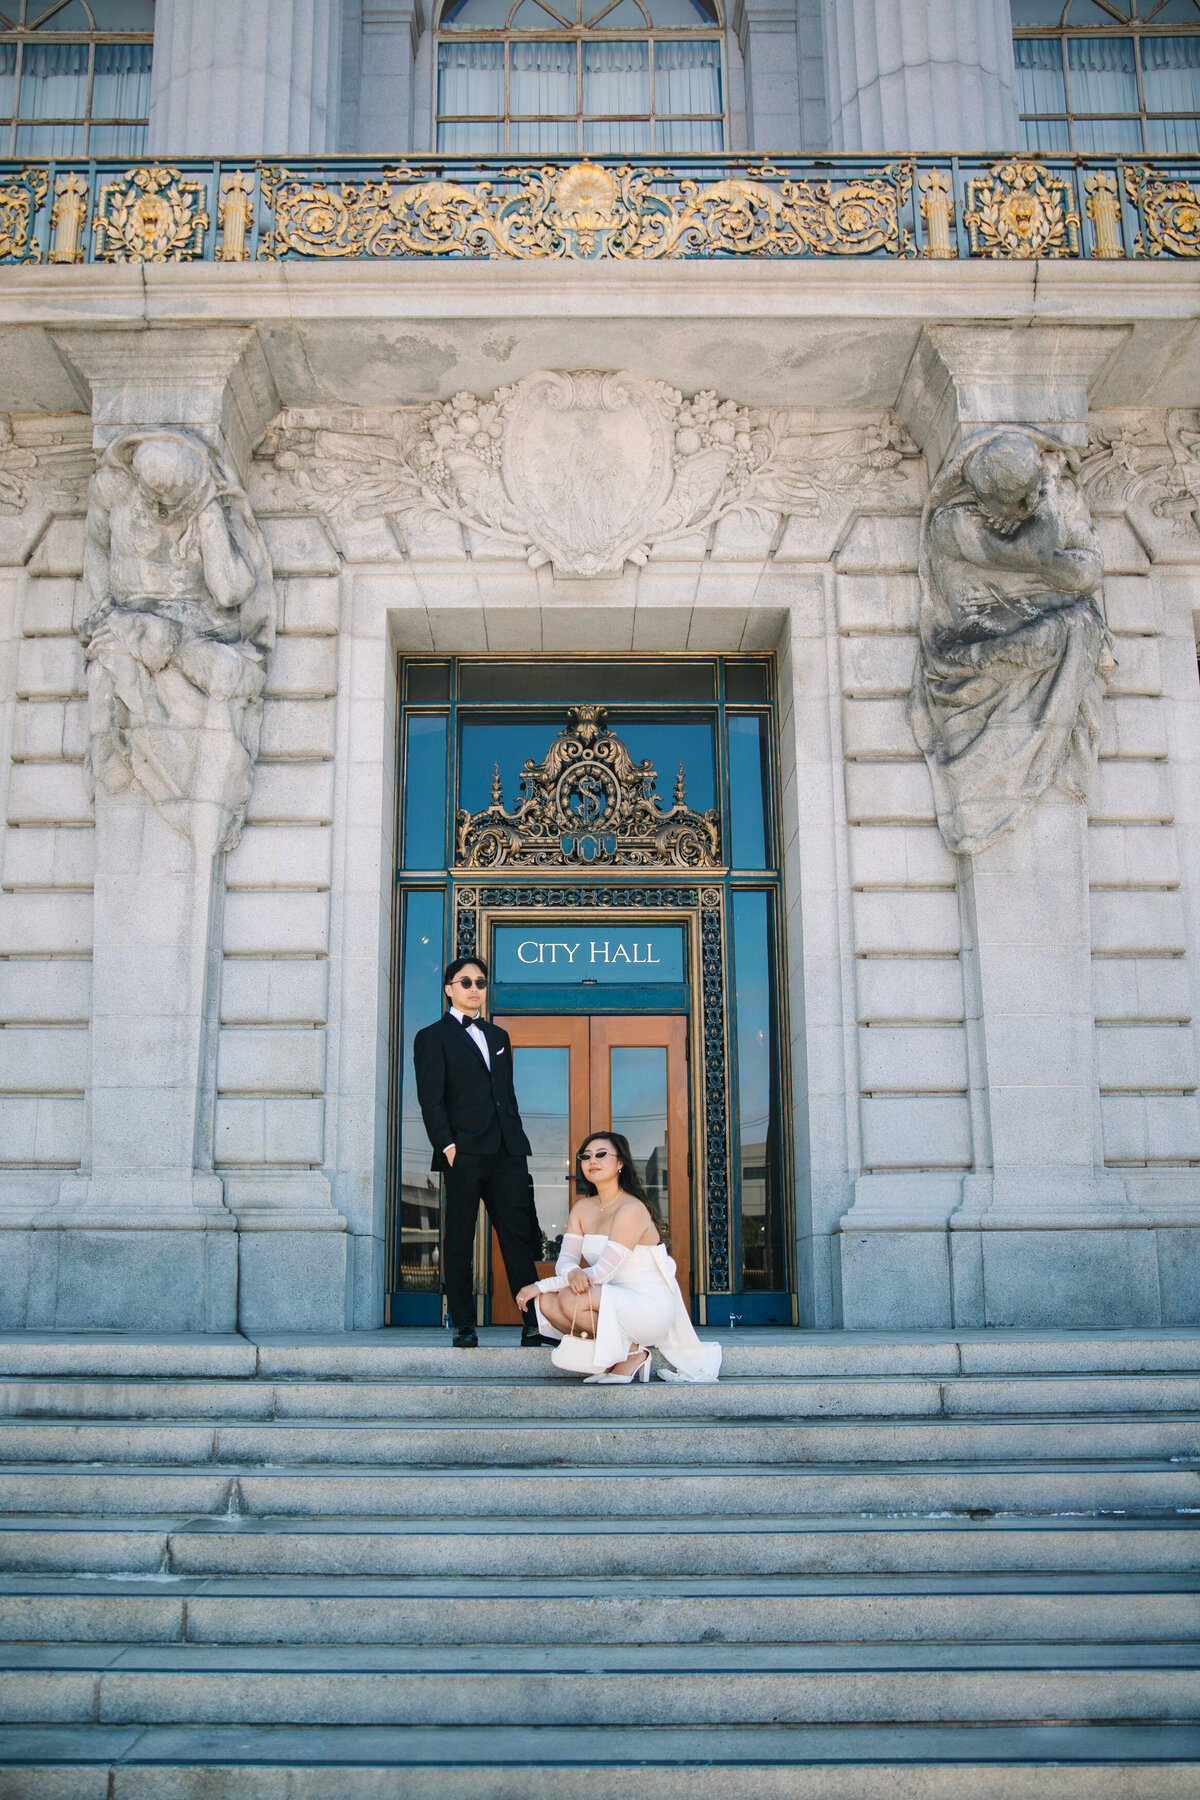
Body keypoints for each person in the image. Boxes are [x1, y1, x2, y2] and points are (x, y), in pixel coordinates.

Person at [413, 956, 549, 1348]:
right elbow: (431, 1099)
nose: (475, 989)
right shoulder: (432, 1036)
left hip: (506, 1150)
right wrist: (448, 1146)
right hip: (465, 1152)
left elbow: (505, 1095)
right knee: (459, 1239)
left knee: (517, 1238)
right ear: (449, 989)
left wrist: (516, 1140)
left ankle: (533, 1322)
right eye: (466, 982)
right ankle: (464, 1324)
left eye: (481, 983)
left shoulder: (499, 1037)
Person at [516, 1131, 721, 1384]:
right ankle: (613, 1355)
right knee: (546, 1303)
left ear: (620, 1163)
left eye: (601, 1154)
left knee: (567, 1297)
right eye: (586, 1156)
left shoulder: (631, 1208)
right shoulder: (582, 1208)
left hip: (648, 1305)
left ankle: (634, 1352)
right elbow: (565, 1260)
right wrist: (571, 1272)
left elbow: (603, 1273)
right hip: (609, 1297)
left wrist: (539, 1285)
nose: (593, 1160)